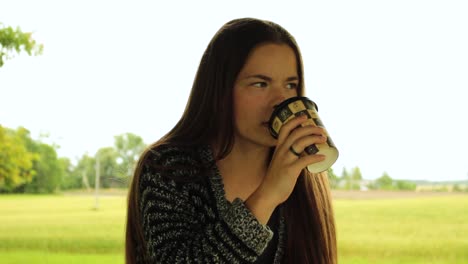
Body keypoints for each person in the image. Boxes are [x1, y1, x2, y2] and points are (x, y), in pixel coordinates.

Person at [126, 17, 337, 264]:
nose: (280, 100)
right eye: (260, 84)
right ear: (221, 90)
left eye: (291, 85)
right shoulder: (168, 167)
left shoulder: (304, 170)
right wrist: (268, 195)